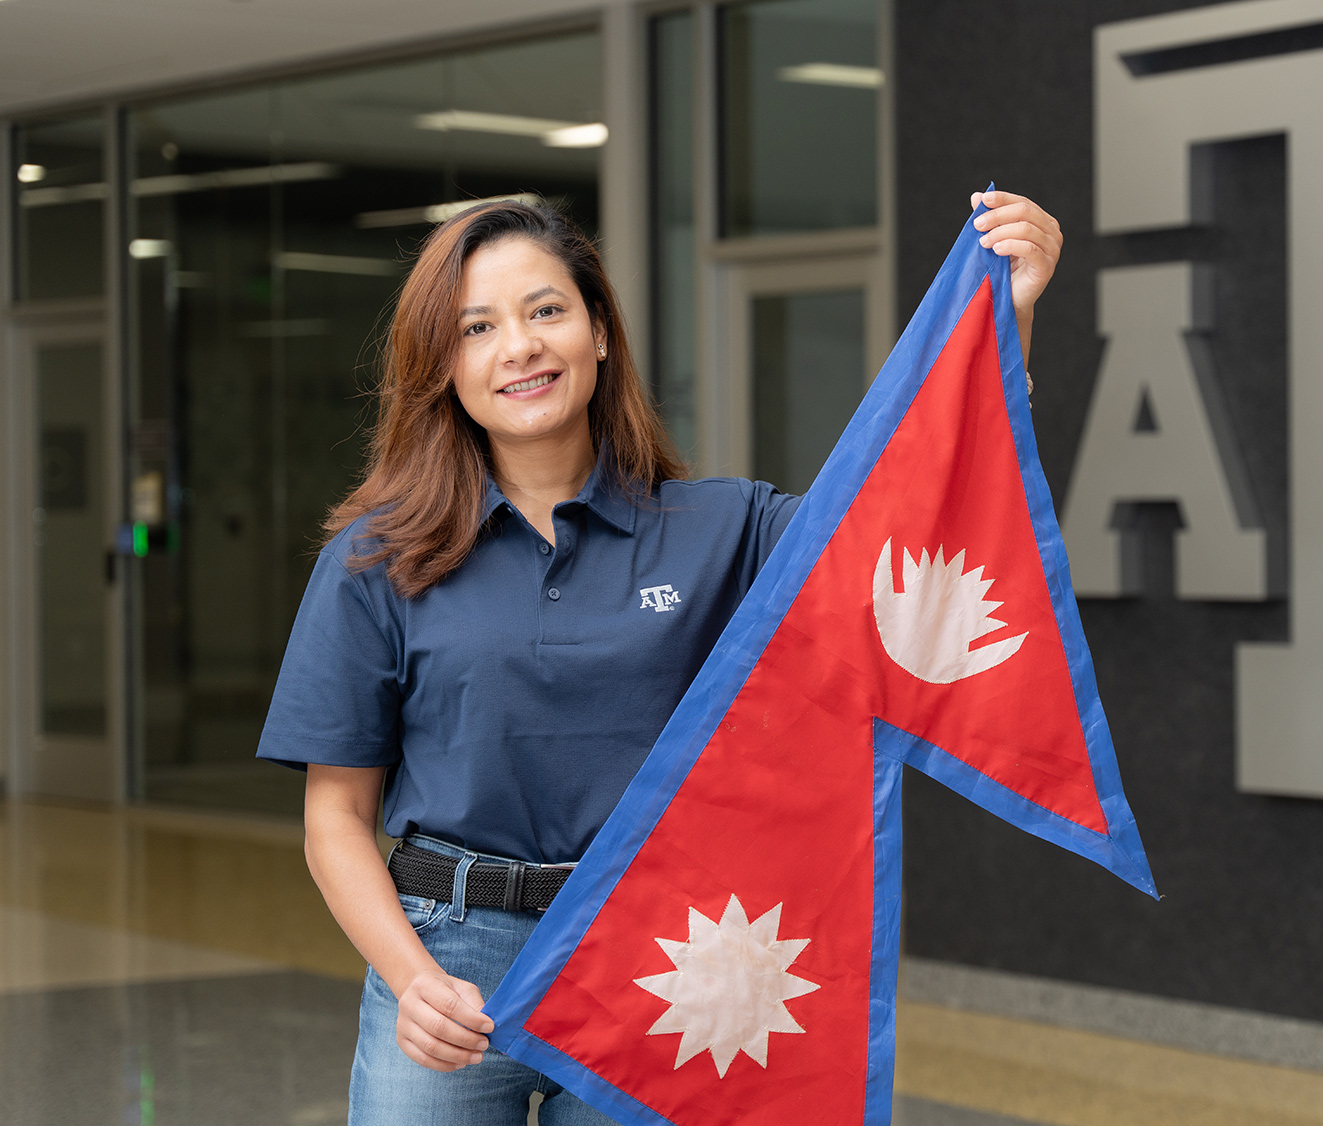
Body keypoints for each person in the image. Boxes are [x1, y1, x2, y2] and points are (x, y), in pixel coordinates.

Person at [255, 191, 1064, 1123]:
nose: (518, 345)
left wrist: (1005, 327)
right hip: (451, 953)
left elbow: (910, 532)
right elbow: (337, 820)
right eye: (477, 327)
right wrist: (410, 978)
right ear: (443, 367)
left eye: (546, 310)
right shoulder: (375, 561)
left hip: (660, 948)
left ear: (599, 333)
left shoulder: (727, 529)